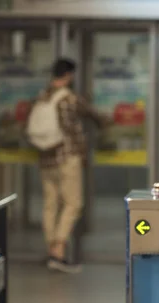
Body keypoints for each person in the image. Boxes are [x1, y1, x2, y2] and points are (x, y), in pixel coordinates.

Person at [26, 58, 105, 274]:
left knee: (50, 204)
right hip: (67, 158)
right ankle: (58, 250)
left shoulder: (43, 96)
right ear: (69, 75)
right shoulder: (69, 99)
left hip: (45, 158)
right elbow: (91, 117)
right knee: (73, 203)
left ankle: (51, 248)